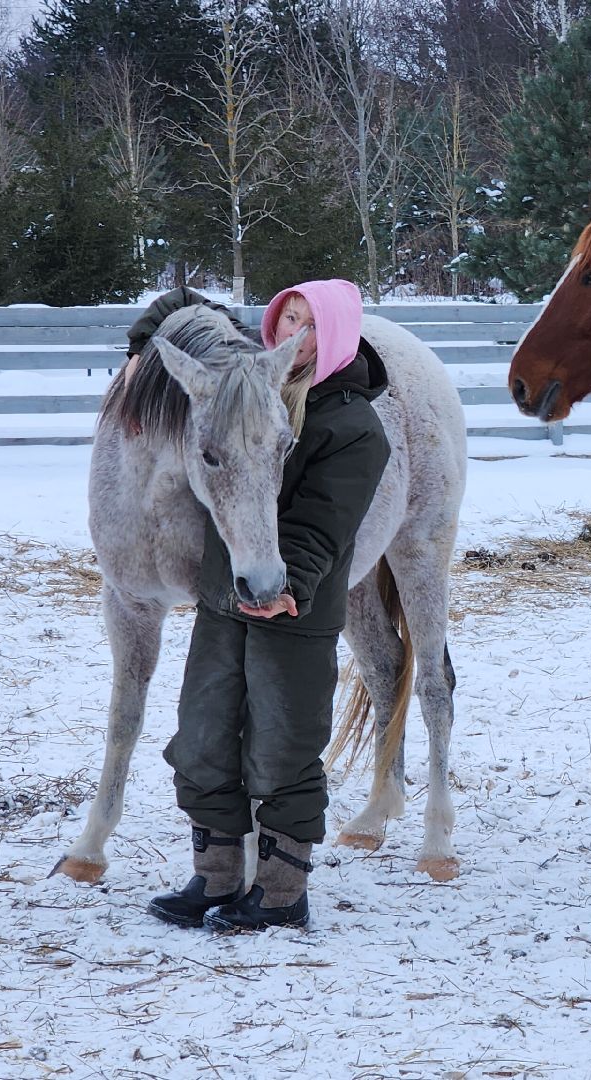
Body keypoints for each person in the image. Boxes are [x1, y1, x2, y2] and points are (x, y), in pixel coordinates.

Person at [126, 281, 391, 932]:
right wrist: (142, 352)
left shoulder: (350, 423)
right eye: (286, 319)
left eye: (311, 326)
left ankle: (280, 892)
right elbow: (176, 315)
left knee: (282, 745)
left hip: (292, 609)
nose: (294, 335)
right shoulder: (244, 388)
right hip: (224, 599)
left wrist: (288, 585)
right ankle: (215, 876)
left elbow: (322, 522)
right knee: (203, 734)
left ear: (339, 337)